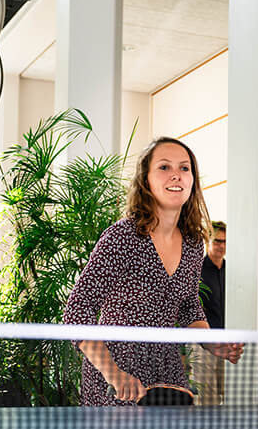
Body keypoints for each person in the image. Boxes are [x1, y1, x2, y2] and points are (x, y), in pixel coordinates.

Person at [63, 137, 242, 406]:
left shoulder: (194, 244)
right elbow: (77, 311)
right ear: (145, 180)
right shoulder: (122, 237)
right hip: (117, 375)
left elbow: (188, 307)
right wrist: (114, 374)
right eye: (164, 167)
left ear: (192, 180)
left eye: (184, 168)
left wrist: (212, 342)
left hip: (167, 371)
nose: (176, 175)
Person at [193, 221, 227, 404]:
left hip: (226, 340)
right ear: (208, 242)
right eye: (217, 241)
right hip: (203, 341)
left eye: (224, 242)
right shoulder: (197, 270)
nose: (221, 246)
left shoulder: (231, 271)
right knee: (207, 393)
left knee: (226, 388)